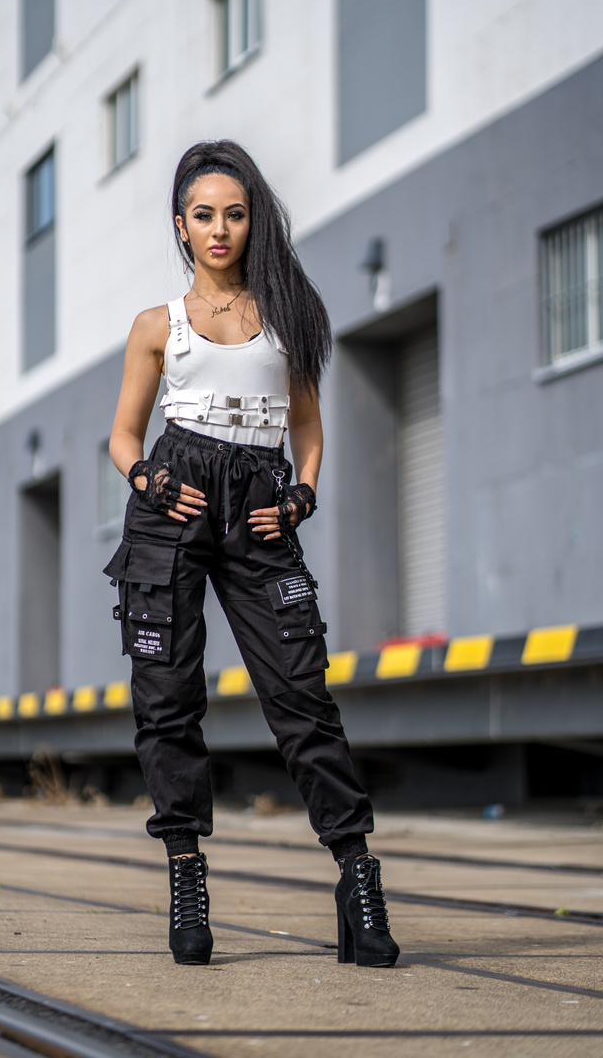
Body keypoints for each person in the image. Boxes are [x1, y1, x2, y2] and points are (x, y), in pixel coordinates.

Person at [105, 140, 398, 968]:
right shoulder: (156, 326)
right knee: (168, 701)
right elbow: (123, 434)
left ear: (252, 219)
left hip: (261, 512)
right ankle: (187, 877)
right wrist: (146, 479)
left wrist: (303, 491)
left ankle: (358, 876)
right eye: (205, 215)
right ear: (182, 226)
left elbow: (306, 426)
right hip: (174, 502)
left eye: (235, 213)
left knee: (302, 697)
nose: (221, 228)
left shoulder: (287, 314)